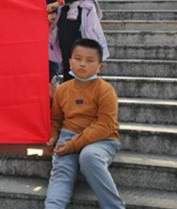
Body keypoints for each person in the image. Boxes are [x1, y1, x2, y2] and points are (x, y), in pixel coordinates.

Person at [45, 38, 124, 209]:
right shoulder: (62, 90)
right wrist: (52, 136)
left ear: (99, 66)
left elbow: (105, 125)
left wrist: (73, 145)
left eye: (89, 60)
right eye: (78, 59)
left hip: (102, 140)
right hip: (68, 136)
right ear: (70, 61)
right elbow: (56, 120)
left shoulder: (105, 90)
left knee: (89, 156)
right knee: (61, 171)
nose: (82, 64)